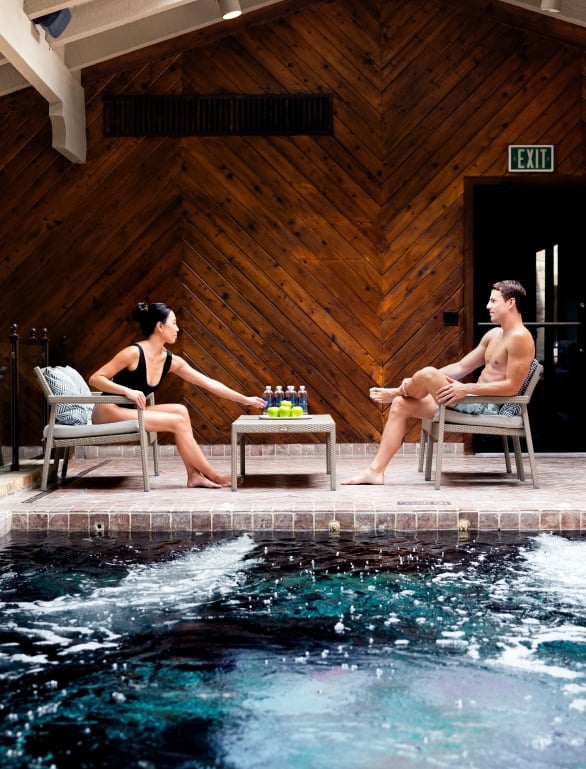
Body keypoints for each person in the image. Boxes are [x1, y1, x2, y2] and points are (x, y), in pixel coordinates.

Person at [342, 280, 536, 485]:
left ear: (510, 303)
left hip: (487, 406)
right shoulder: (494, 335)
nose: (488, 306)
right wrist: (424, 381)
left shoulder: (520, 338)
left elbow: (512, 387)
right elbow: (461, 367)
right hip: (471, 399)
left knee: (427, 374)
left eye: (493, 301)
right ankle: (375, 471)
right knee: (401, 404)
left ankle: (397, 390)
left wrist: (465, 388)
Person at [89, 302, 266, 488]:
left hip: (129, 411)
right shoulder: (133, 353)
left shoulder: (170, 360)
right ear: (160, 326)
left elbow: (209, 383)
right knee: (177, 421)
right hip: (106, 411)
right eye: (173, 323)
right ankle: (215, 476)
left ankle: (194, 475)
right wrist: (127, 391)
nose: (177, 328)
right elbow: (95, 378)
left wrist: (245, 399)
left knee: (180, 411)